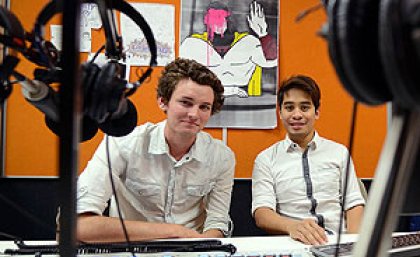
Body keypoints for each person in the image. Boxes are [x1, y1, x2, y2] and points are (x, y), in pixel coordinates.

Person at [75, 58, 236, 242]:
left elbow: (217, 222)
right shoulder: (122, 142)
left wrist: (203, 249)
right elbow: (78, 225)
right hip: (133, 251)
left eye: (204, 107)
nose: (194, 114)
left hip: (193, 251)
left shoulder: (222, 157)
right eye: (186, 102)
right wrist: (173, 232)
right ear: (163, 102)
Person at [251, 75, 365, 245]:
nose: (297, 114)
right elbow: (262, 213)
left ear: (316, 112)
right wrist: (293, 227)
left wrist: (354, 246)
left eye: (305, 107)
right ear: (280, 113)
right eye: (289, 107)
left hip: (337, 243)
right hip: (294, 243)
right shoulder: (266, 159)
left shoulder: (339, 153)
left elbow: (354, 204)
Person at [180, 1, 277, 98]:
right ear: (206, 20)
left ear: (228, 19)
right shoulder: (193, 44)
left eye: (222, 17)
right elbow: (178, 72)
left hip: (244, 101)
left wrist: (263, 34)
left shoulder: (248, 42)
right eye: (214, 17)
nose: (218, 22)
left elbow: (272, 62)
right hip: (203, 99)